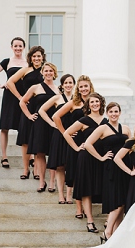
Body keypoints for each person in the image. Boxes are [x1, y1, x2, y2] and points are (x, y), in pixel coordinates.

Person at [83, 102, 131, 240]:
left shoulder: (126, 129)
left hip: (125, 166)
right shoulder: (103, 128)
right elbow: (87, 144)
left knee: (123, 199)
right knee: (117, 199)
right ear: (107, 113)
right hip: (111, 168)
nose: (114, 114)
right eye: (111, 112)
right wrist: (101, 157)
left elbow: (132, 146)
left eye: (116, 111)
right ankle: (108, 231)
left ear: (120, 113)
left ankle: (115, 234)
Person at [64, 92, 106, 234]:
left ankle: (108, 220)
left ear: (101, 103)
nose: (95, 104)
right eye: (92, 102)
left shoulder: (106, 121)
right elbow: (67, 133)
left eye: (97, 102)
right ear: (88, 105)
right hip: (86, 158)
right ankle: (90, 221)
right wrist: (76, 148)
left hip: (101, 157)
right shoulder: (84, 120)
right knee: (86, 189)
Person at [53, 75, 93, 218]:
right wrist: (65, 132)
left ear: (90, 87)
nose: (83, 89)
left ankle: (87, 204)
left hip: (92, 141)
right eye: (81, 86)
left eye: (85, 86)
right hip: (76, 142)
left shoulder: (95, 102)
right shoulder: (73, 102)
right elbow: (56, 117)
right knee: (76, 174)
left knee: (87, 175)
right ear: (78, 88)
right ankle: (78, 208)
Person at [6, 46, 47, 179]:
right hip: (27, 107)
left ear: (42, 57)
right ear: (30, 58)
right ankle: (25, 170)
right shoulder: (25, 70)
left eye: (39, 56)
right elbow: (10, 82)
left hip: (40, 107)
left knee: (37, 138)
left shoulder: (45, 71)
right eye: (34, 56)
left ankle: (36, 170)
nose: (36, 58)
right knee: (25, 140)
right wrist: (20, 97)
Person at [0, 37, 28, 170]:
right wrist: (0, 85)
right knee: (5, 127)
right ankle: (4, 156)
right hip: (9, 97)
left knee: (25, 126)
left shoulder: (27, 62)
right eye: (15, 46)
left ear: (24, 47)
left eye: (20, 46)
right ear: (11, 47)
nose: (18, 48)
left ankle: (31, 157)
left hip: (24, 97)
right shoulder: (7, 61)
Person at [19, 62, 59, 193]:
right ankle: (42, 181)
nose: (48, 73)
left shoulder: (59, 89)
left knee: (54, 153)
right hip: (40, 124)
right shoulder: (35, 87)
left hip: (54, 123)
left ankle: (52, 181)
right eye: (46, 71)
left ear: (54, 73)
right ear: (42, 73)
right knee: (40, 153)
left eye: (51, 71)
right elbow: (22, 102)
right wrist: (29, 116)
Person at [40, 73, 74, 203]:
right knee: (60, 166)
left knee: (71, 165)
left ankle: (69, 194)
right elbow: (42, 110)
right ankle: (61, 194)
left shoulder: (78, 100)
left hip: (73, 135)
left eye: (70, 82)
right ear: (62, 85)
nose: (68, 85)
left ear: (74, 85)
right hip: (59, 134)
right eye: (66, 83)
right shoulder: (57, 98)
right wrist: (51, 123)